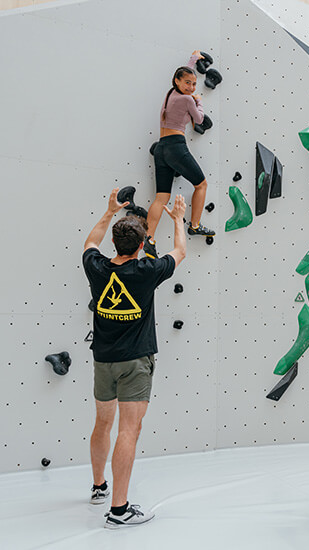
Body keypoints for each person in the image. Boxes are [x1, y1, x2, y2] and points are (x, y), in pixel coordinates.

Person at [82, 188, 187, 528]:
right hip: (135, 363)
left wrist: (109, 211)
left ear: (115, 243)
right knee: (129, 430)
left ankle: (99, 487)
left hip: (103, 360)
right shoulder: (147, 270)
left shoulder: (96, 268)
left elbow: (89, 243)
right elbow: (181, 250)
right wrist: (179, 219)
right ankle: (118, 509)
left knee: (103, 424)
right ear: (141, 245)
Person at [144, 50, 214, 259]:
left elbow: (187, 74)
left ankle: (149, 239)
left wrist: (193, 59)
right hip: (176, 146)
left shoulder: (170, 94)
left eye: (194, 84)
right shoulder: (188, 100)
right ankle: (194, 225)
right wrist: (199, 100)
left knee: (161, 197)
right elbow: (199, 120)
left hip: (161, 148)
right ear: (177, 81)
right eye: (188, 84)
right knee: (201, 184)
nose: (192, 87)